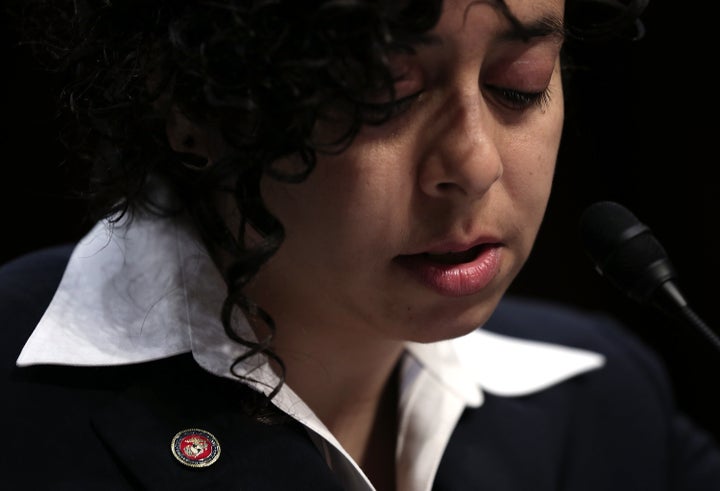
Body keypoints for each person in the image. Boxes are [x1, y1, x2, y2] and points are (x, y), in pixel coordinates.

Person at [2, 0, 719, 489]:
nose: (475, 164)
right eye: (387, 94)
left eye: (518, 85)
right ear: (192, 105)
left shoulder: (608, 403)